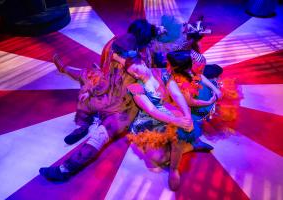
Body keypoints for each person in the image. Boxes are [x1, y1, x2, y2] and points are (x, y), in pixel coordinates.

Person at [39, 19, 159, 181]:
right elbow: (107, 69)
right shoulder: (123, 47)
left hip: (123, 107)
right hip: (113, 94)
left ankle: (64, 169)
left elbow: (134, 80)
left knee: (99, 135)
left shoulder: (135, 61)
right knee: (88, 79)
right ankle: (84, 125)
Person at [123, 54, 214, 191]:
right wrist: (176, 120)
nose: (136, 75)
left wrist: (187, 114)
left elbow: (177, 95)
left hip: (169, 112)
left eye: (136, 69)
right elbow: (152, 109)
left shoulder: (163, 73)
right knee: (158, 158)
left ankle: (174, 169)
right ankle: (190, 146)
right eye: (132, 74)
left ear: (143, 62)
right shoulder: (136, 87)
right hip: (150, 121)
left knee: (179, 132)